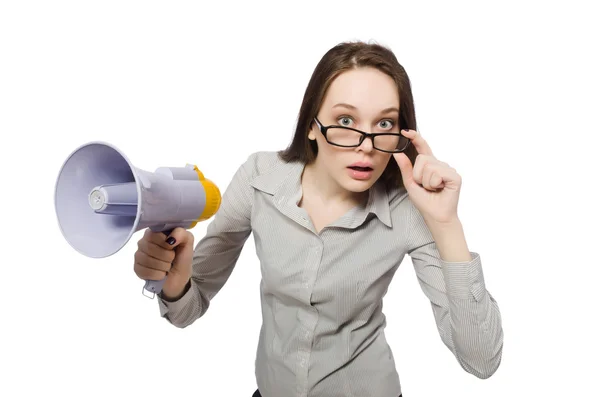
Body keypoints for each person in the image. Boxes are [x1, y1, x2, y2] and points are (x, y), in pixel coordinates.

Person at [133, 40, 504, 397]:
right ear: (311, 124)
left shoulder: (408, 210)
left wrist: (445, 223)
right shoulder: (259, 178)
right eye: (345, 119)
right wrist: (175, 281)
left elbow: (481, 360)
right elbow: (184, 311)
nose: (366, 144)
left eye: (385, 125)